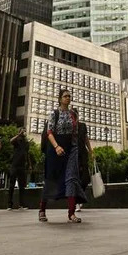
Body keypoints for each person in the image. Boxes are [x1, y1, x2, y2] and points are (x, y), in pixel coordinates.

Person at [39, 89, 87, 223]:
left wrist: (75, 150)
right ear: (60, 99)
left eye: (69, 96)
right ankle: (42, 209)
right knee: (51, 178)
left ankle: (71, 213)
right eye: (65, 96)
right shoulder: (54, 114)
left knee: (71, 179)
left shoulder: (73, 114)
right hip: (55, 148)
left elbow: (75, 134)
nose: (68, 98)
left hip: (70, 148)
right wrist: (56, 146)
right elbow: (49, 132)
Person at [71, 108, 94, 210]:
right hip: (73, 154)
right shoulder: (69, 127)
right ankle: (76, 202)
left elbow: (86, 139)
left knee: (85, 178)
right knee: (76, 177)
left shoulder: (82, 126)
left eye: (74, 115)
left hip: (83, 153)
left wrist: (91, 151)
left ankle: (79, 197)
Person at [8, 128, 30, 210]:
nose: (24, 132)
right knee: (12, 185)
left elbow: (27, 153)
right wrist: (18, 135)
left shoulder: (26, 142)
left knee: (22, 186)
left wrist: (29, 164)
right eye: (22, 131)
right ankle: (9, 204)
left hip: (22, 165)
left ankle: (21, 204)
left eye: (25, 131)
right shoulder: (17, 140)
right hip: (15, 164)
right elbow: (11, 141)